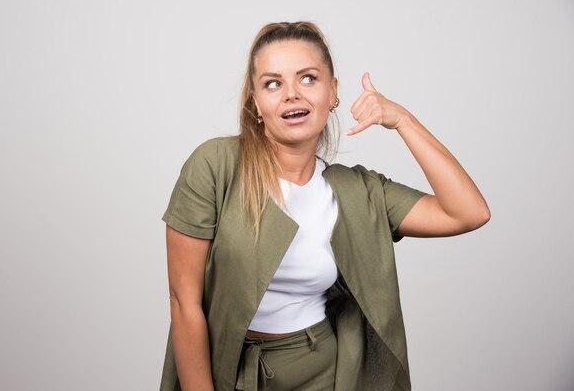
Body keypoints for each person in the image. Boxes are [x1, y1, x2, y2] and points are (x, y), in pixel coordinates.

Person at [160, 21, 490, 391]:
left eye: (308, 78)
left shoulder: (358, 190)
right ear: (255, 101)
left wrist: (403, 121)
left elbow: (468, 212)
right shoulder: (214, 165)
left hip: (323, 371)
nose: (291, 95)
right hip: (228, 366)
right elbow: (183, 301)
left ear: (332, 92)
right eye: (273, 83)